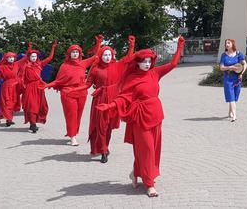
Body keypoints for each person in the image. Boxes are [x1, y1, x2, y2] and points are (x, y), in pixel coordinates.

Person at [98, 36, 185, 197]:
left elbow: (173, 64)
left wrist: (179, 46)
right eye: (143, 61)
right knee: (147, 150)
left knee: (153, 149)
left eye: (149, 61)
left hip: (156, 115)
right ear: (137, 62)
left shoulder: (155, 73)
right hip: (140, 118)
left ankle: (137, 173)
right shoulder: (132, 78)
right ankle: (149, 184)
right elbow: (124, 98)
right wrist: (110, 105)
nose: (147, 64)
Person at [70, 35, 136, 163]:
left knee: (109, 127)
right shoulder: (95, 69)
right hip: (100, 99)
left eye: (109, 55)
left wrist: (131, 45)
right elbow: (87, 84)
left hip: (113, 98)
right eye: (105, 55)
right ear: (100, 56)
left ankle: (105, 146)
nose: (107, 57)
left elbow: (128, 58)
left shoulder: (117, 65)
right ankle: (103, 150)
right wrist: (74, 89)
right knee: (101, 126)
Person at [44, 36, 102, 146]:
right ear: (69, 54)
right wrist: (47, 85)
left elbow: (97, 56)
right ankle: (73, 137)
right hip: (68, 93)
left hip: (81, 93)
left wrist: (98, 43)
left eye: (77, 52)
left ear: (80, 54)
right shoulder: (64, 66)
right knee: (71, 115)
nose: (75, 54)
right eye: (73, 52)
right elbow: (58, 81)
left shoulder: (83, 63)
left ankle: (73, 133)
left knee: (78, 115)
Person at [22, 40, 57, 133]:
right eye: (32, 56)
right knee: (31, 106)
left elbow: (50, 58)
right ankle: (33, 124)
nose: (33, 57)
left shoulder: (39, 64)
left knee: (41, 106)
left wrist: (53, 47)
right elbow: (21, 77)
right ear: (29, 57)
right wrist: (29, 48)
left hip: (38, 87)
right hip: (29, 87)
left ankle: (33, 123)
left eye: (35, 56)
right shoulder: (25, 66)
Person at [219, 39, 247, 122]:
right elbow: (221, 67)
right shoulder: (224, 55)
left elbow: (245, 64)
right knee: (231, 97)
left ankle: (230, 112)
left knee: (234, 97)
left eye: (228, 43)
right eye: (226, 43)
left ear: (232, 44)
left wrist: (242, 73)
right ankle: (234, 115)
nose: (226, 44)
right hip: (228, 79)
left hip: (237, 78)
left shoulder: (239, 54)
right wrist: (230, 67)